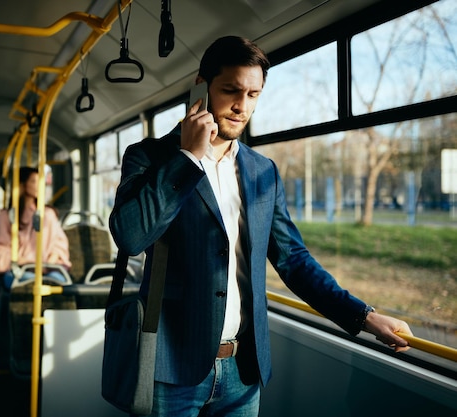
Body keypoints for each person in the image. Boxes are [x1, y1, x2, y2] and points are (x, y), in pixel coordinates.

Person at [108, 35, 414, 417]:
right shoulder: (149, 157)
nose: (242, 106)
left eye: (254, 94)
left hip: (243, 371)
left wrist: (364, 316)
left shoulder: (262, 171)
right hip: (171, 370)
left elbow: (293, 261)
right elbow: (130, 235)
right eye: (231, 91)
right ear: (200, 85)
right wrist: (187, 157)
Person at [0, 166, 71, 289]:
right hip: (19, 269)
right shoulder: (6, 216)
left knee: (60, 281)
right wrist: (22, 260)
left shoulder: (48, 214)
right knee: (30, 281)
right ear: (22, 185)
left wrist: (51, 260)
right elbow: (1, 248)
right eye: (34, 181)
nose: (39, 186)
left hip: (47, 269)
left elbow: (58, 243)